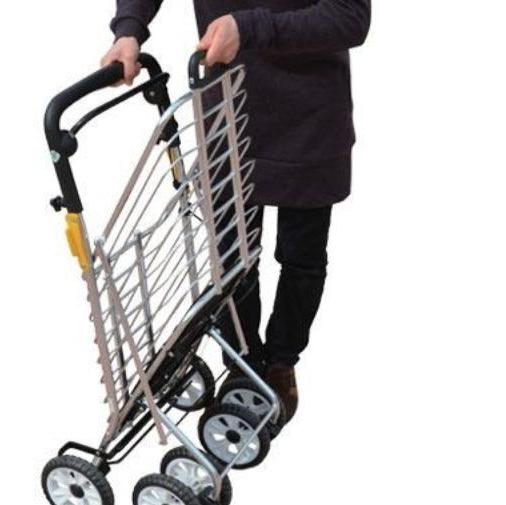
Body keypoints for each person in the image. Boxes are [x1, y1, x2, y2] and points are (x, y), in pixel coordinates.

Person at [101, 1, 371, 423]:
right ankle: (242, 366)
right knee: (231, 261)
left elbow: (351, 17)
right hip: (228, 111)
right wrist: (129, 29)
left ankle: (281, 362)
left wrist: (249, 29)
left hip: (310, 117)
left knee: (301, 259)